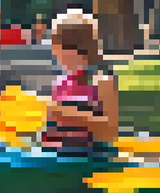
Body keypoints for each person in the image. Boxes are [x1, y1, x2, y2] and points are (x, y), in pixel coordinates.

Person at [38, 10, 119, 153]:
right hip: (63, 157)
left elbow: (110, 133)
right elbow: (54, 130)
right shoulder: (60, 84)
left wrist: (69, 114)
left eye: (55, 44)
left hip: (93, 158)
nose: (53, 51)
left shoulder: (102, 82)